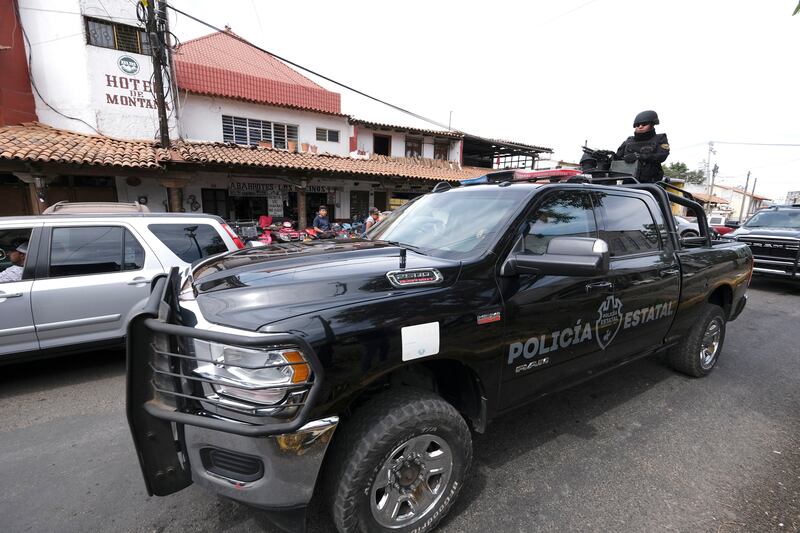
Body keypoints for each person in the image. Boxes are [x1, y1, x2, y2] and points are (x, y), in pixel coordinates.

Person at [615, 110, 670, 183]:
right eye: (637, 125)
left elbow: (662, 156)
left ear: (652, 125)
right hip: (629, 183)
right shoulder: (628, 141)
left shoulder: (660, 138)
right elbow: (616, 158)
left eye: (644, 124)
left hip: (651, 184)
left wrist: (639, 156)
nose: (640, 127)